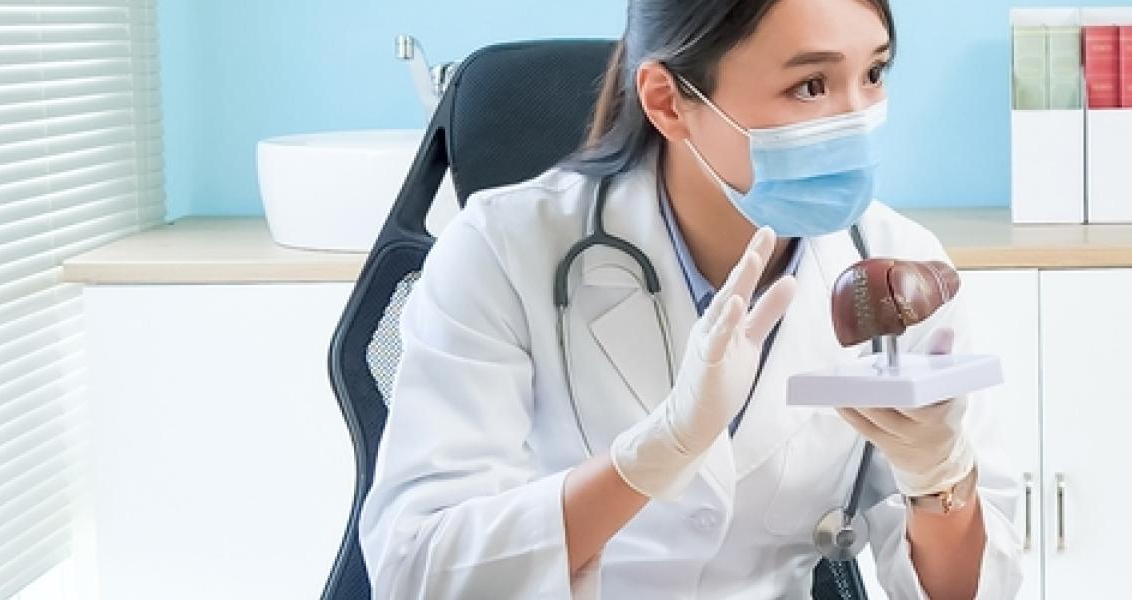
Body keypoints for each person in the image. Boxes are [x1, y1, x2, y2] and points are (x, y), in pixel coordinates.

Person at [355, 1, 1024, 597]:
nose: (857, 120)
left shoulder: (895, 267)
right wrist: (655, 454)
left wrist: (938, 477)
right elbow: (417, 573)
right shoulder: (503, 250)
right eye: (811, 86)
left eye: (873, 73)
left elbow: (970, 592)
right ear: (669, 102)